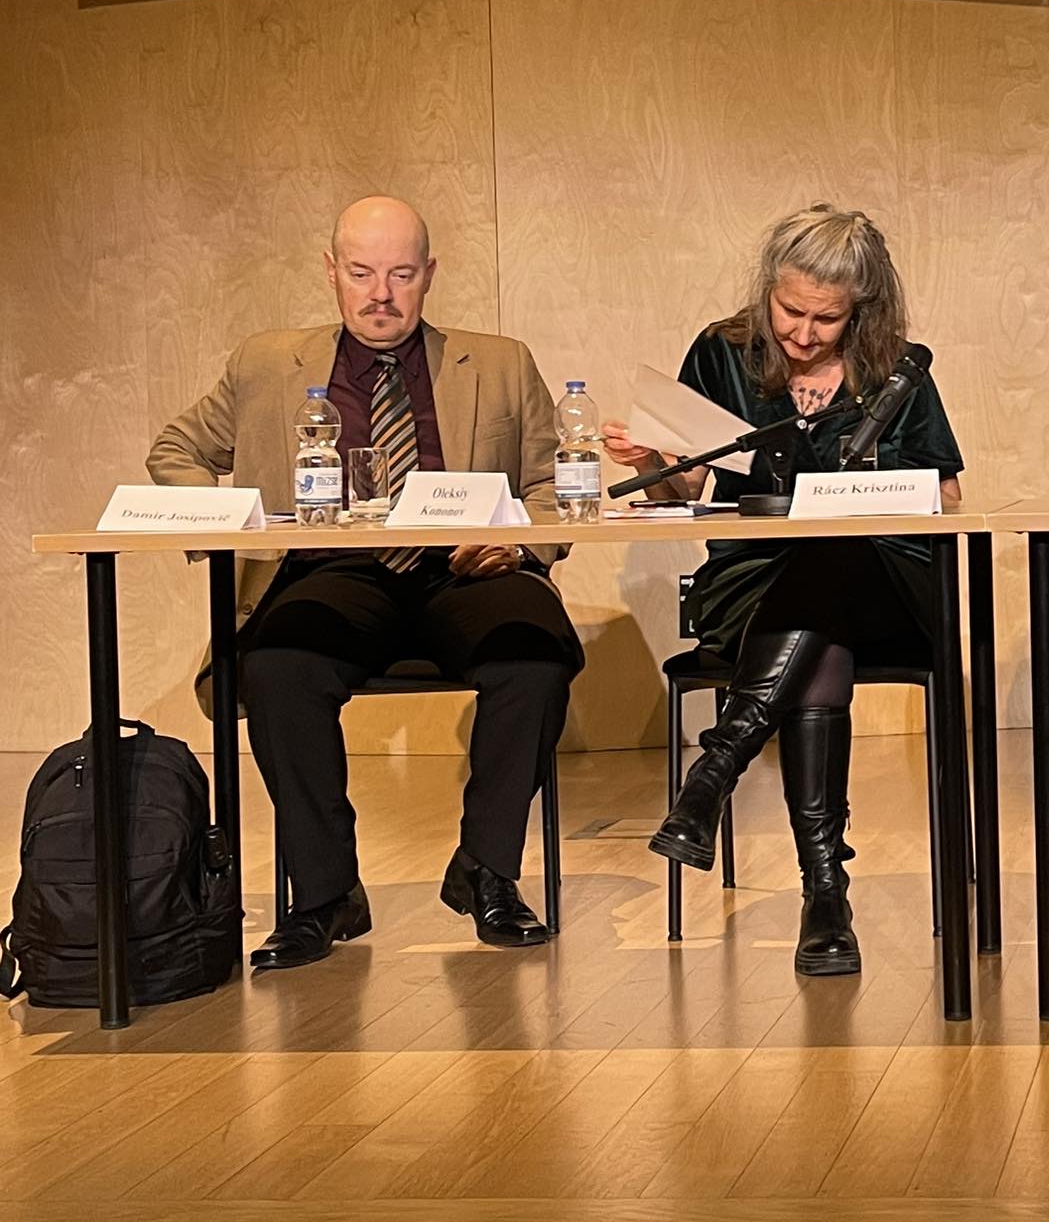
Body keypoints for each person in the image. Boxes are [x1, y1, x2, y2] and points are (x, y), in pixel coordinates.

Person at [149, 196, 581, 971]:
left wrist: (518, 543)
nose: (381, 294)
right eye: (361, 273)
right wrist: (234, 521)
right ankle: (326, 893)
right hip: (335, 568)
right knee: (276, 665)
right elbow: (176, 449)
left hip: (464, 567)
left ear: (430, 275)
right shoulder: (267, 364)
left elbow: (551, 484)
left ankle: (485, 870)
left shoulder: (501, 362)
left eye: (401, 275)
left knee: (535, 653)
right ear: (331, 271)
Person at [604, 203, 964, 976]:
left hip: (885, 585)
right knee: (817, 626)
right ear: (768, 288)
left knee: (833, 561)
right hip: (755, 583)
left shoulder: (898, 369)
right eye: (789, 310)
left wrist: (867, 497)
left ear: (861, 310)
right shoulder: (722, 353)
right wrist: (651, 463)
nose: (802, 333)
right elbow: (683, 492)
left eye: (826, 319)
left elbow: (948, 493)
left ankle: (715, 774)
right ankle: (825, 896)